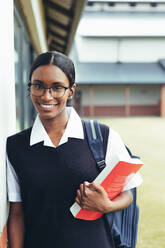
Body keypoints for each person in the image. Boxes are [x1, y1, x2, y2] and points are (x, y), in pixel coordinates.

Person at [6, 51, 142, 248]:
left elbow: (128, 192)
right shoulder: (16, 147)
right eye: (38, 86)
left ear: (71, 90)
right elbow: (17, 213)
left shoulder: (102, 136)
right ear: (30, 87)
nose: (46, 96)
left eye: (57, 87)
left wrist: (107, 206)